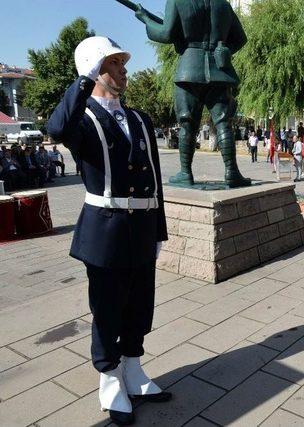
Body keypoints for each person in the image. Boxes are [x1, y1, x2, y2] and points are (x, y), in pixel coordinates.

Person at [47, 36, 171, 426]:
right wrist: (83, 82)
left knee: (140, 305)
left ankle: (133, 369)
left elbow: (155, 176)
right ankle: (109, 378)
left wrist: (159, 231)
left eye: (122, 63)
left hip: (142, 225)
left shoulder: (139, 119)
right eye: (114, 63)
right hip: (106, 230)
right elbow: (56, 126)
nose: (124, 70)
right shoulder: (82, 120)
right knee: (108, 309)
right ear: (95, 67)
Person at [136, 0, 251, 187]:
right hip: (219, 71)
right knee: (223, 123)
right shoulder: (223, 5)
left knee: (187, 123)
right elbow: (240, 38)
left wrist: (145, 19)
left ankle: (185, 173)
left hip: (190, 70)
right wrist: (226, 51)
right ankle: (231, 172)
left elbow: (166, 34)